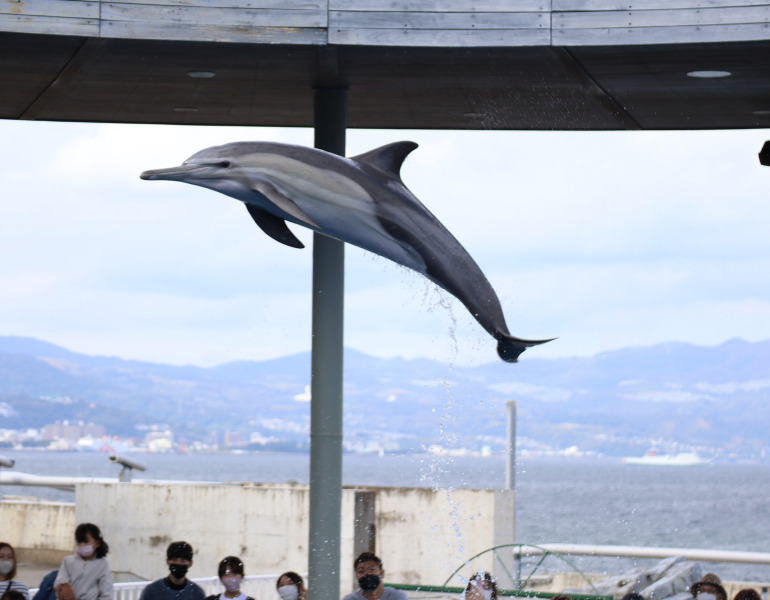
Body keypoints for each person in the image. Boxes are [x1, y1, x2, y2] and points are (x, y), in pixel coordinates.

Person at [54, 524, 112, 600]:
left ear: (97, 544)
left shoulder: (102, 564)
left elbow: (107, 593)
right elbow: (59, 580)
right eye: (79, 541)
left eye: (86, 542)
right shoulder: (68, 561)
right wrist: (63, 586)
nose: (82, 545)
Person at [139, 541, 205, 600]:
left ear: (190, 563)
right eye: (174, 559)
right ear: (167, 561)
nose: (178, 563)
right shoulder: (151, 591)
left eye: (183, 560)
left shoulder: (197, 593)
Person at [342, 552, 407, 600]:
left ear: (382, 573)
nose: (367, 574)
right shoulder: (351, 599)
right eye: (361, 571)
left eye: (371, 570)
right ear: (356, 576)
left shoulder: (396, 596)